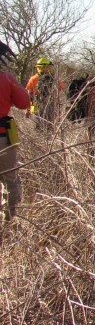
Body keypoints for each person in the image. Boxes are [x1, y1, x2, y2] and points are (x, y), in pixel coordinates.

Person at [0, 41, 31, 223]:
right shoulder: (6, 78)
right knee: (10, 180)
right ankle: (9, 221)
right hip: (3, 138)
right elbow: (23, 102)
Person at [25, 57, 64, 128]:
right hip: (50, 104)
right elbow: (60, 90)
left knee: (36, 125)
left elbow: (29, 95)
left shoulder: (33, 78)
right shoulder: (54, 79)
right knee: (50, 126)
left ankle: (38, 137)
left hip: (35, 103)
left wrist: (28, 109)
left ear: (38, 67)